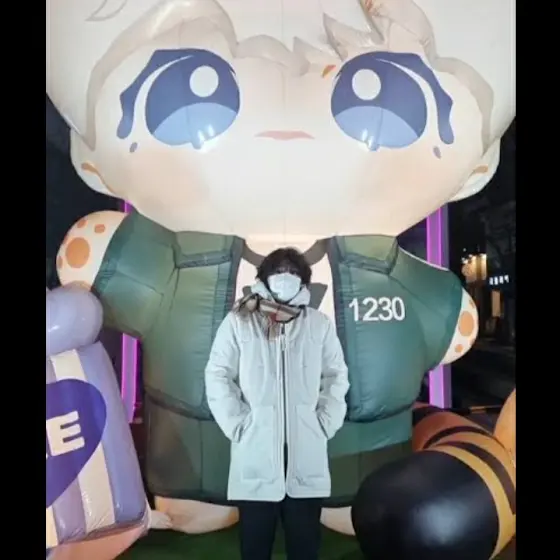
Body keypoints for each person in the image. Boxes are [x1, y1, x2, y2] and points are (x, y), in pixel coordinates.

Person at [205, 247, 349, 560]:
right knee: (255, 549)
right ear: (264, 277)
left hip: (306, 457)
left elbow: (336, 376)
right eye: (279, 270)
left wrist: (324, 423)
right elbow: (217, 374)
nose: (286, 276)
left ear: (304, 281)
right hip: (255, 455)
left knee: (305, 548)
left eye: (294, 272)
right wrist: (239, 424)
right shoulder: (240, 321)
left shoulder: (319, 324)